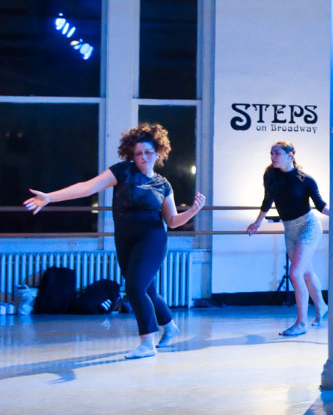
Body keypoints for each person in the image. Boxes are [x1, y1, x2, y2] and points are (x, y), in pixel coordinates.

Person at [23, 123, 205, 358]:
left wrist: (192, 211)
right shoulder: (122, 171)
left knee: (134, 287)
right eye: (138, 153)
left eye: (148, 152)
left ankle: (147, 342)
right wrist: (50, 197)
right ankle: (170, 327)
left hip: (152, 238)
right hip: (125, 239)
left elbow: (172, 221)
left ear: (158, 153)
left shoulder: (163, 184)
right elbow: (87, 188)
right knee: (148, 290)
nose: (143, 157)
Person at [245, 141, 330, 336]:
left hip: (308, 225)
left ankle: (301, 323)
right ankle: (322, 306)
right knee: (306, 273)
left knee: (295, 273)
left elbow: (320, 205)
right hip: (290, 228)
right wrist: (258, 222)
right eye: (271, 153)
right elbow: (267, 200)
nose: (272, 157)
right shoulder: (271, 175)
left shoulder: (305, 179)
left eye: (276, 153)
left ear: (290, 154)